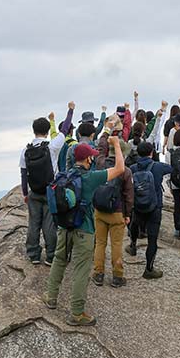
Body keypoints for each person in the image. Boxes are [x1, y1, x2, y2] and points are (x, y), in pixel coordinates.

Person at [43, 137, 126, 326]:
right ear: (88, 159)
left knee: (59, 260)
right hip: (84, 230)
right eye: (92, 158)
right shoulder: (90, 178)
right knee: (81, 270)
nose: (93, 160)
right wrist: (116, 145)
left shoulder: (64, 175)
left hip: (64, 228)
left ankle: (51, 296)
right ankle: (77, 312)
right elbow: (120, 168)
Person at [20, 103, 74, 265]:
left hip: (34, 192)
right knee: (49, 225)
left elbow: (23, 174)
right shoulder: (52, 147)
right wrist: (70, 110)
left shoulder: (26, 150)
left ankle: (33, 254)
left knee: (33, 223)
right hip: (50, 190)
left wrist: (25, 194)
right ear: (46, 131)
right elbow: (65, 129)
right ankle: (51, 256)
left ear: (34, 130)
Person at [92, 131, 134, 288]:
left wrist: (106, 131)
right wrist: (128, 214)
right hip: (117, 212)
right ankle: (117, 276)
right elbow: (129, 195)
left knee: (100, 243)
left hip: (100, 210)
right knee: (116, 245)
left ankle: (98, 274)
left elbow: (101, 146)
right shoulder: (125, 171)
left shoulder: (100, 163)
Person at [128, 141, 173, 279]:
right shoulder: (159, 167)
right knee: (152, 239)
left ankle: (133, 245)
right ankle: (149, 268)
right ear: (151, 153)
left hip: (138, 205)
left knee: (134, 224)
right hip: (155, 206)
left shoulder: (133, 168)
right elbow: (172, 169)